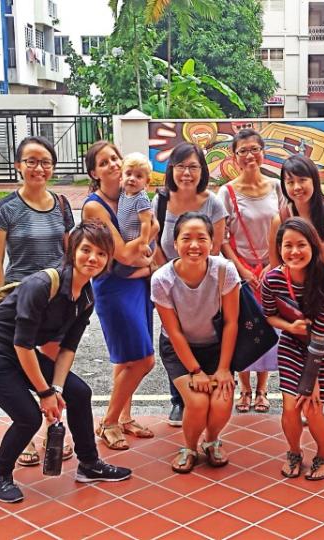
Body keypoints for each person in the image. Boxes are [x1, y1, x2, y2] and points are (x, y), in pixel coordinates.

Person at [0, 223, 132, 503]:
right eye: (86, 250)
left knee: (78, 392)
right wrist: (45, 394)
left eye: (101, 254)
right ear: (72, 251)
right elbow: (23, 344)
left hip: (20, 352)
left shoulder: (87, 296)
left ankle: (89, 465)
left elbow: (68, 348)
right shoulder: (42, 284)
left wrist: (56, 388)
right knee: (28, 417)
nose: (93, 258)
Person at [0, 136, 76, 468]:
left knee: (53, 370)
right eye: (31, 161)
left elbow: (69, 254)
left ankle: (52, 430)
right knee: (22, 370)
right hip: (18, 301)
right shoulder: (5, 209)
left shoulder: (63, 205)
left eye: (45, 162)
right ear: (18, 166)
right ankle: (24, 433)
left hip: (54, 300)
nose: (39, 168)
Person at [268, 154, 324, 429]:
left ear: (314, 180)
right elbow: (275, 262)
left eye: (302, 180)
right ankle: (308, 397)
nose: (296, 187)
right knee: (304, 344)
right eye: (289, 181)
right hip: (298, 296)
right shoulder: (280, 217)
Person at [82, 141, 156, 450]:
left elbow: (154, 228)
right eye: (104, 162)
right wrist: (147, 259)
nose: (113, 164)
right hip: (113, 287)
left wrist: (145, 259)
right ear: (94, 173)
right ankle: (108, 422)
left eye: (115, 158)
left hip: (138, 285)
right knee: (144, 361)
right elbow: (124, 254)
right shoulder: (94, 205)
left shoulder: (131, 196)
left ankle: (125, 417)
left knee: (125, 359)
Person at [151, 213, 239, 473]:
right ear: (175, 243)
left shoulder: (225, 270)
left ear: (212, 243)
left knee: (222, 399)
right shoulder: (162, 279)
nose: (194, 245)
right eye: (186, 238)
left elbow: (231, 323)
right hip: (180, 349)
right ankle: (189, 447)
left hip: (215, 347)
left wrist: (223, 368)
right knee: (199, 402)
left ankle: (211, 441)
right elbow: (173, 331)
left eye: (202, 238)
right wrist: (196, 371)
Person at [262, 218, 324, 481]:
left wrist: (312, 381)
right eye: (288, 245)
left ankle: (323, 454)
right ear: (279, 248)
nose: (294, 251)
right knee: (290, 406)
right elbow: (268, 315)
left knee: (312, 405)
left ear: (313, 246)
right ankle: (294, 452)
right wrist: (290, 326)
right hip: (293, 341)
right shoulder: (272, 279)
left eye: (301, 245)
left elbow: (321, 335)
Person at [153, 143, 228, 427]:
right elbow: (155, 242)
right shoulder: (159, 201)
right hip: (170, 283)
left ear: (202, 171)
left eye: (193, 167)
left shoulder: (213, 203)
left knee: (204, 333)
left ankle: (208, 387)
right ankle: (178, 401)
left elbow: (216, 247)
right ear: (171, 169)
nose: (187, 173)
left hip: (205, 281)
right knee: (174, 336)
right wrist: (168, 277)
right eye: (181, 166)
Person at [218, 128, 280, 414]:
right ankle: (244, 388)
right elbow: (223, 238)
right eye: (243, 150)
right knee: (244, 326)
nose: (250, 155)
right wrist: (241, 269)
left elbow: (283, 231)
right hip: (240, 270)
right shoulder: (227, 191)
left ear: (263, 152)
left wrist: (272, 265)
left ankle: (263, 389)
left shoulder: (276, 187)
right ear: (235, 157)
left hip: (271, 268)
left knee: (267, 324)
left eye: (255, 148)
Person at [113, 152, 156, 279]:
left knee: (120, 271)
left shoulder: (140, 198)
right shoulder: (124, 192)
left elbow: (145, 222)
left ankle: (150, 269)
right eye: (128, 174)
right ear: (121, 176)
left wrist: (143, 243)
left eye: (138, 176)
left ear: (146, 182)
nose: (132, 178)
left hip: (142, 243)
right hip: (131, 242)